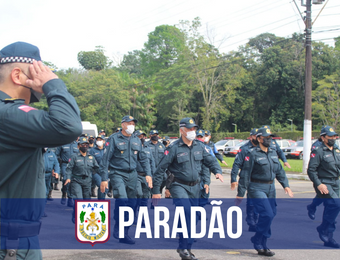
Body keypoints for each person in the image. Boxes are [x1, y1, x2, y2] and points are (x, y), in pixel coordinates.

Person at [0, 41, 82, 260]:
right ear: (17, 76)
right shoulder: (7, 113)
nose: (37, 92)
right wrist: (53, 85)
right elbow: (68, 126)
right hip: (11, 241)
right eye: (36, 77)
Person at [152, 118, 223, 260]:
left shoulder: (200, 146)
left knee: (193, 217)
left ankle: (186, 248)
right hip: (178, 186)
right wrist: (156, 192)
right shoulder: (173, 148)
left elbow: (211, 160)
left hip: (195, 187)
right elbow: (161, 170)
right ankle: (183, 246)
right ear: (182, 130)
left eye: (194, 129)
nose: (192, 132)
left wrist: (217, 171)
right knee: (187, 212)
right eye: (190, 129)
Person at [236, 127, 293, 257]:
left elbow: (279, 171)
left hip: (270, 188)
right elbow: (245, 174)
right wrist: (240, 193)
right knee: (267, 214)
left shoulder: (273, 152)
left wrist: (286, 185)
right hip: (256, 187)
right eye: (266, 138)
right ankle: (259, 241)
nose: (269, 140)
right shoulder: (252, 153)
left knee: (271, 214)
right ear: (259, 138)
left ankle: (262, 242)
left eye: (270, 137)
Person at [99, 115, 151, 244]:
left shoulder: (136, 140)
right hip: (117, 173)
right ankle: (118, 225)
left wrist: (148, 174)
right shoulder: (114, 139)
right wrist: (104, 178)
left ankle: (124, 233)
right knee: (122, 199)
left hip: (133, 174)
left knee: (133, 204)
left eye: (133, 123)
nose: (131, 126)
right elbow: (105, 160)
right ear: (123, 125)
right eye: (129, 123)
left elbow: (143, 158)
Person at [307, 125, 340, 248]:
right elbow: (311, 170)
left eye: (334, 136)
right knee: (336, 204)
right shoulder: (318, 151)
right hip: (324, 183)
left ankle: (328, 238)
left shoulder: (336, 150)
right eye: (330, 136)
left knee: (331, 208)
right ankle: (323, 229)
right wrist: (319, 184)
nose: (333, 138)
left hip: (336, 183)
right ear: (323, 137)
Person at [64, 137, 99, 222]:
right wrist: (68, 178)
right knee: (78, 199)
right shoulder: (74, 157)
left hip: (87, 181)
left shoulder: (91, 157)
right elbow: (69, 168)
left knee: (87, 201)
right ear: (79, 146)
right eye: (83, 144)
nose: (85, 146)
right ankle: (76, 215)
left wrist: (105, 177)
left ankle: (85, 218)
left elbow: (97, 168)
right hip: (76, 180)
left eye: (86, 144)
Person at [230, 128, 259, 231]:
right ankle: (251, 220)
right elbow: (236, 164)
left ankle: (254, 220)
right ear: (251, 136)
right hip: (246, 177)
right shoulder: (244, 149)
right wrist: (233, 179)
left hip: (258, 178)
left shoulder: (262, 148)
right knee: (250, 199)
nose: (257, 137)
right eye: (255, 135)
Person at [134, 130, 156, 224]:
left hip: (146, 177)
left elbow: (152, 162)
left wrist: (152, 175)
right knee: (138, 195)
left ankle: (142, 219)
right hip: (136, 175)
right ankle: (133, 214)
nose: (142, 138)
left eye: (143, 136)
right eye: (139, 136)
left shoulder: (148, 148)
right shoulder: (133, 147)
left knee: (144, 199)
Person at [55, 139, 79, 206]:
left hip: (74, 165)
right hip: (65, 164)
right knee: (66, 179)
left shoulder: (76, 144)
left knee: (72, 182)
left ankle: (70, 198)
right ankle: (64, 193)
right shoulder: (62, 143)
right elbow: (57, 155)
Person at [89, 135, 107, 199]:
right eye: (98, 140)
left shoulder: (107, 150)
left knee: (105, 187)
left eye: (100, 140)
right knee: (100, 184)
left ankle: (101, 200)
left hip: (105, 171)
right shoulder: (92, 150)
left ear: (104, 141)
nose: (99, 141)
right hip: (95, 171)